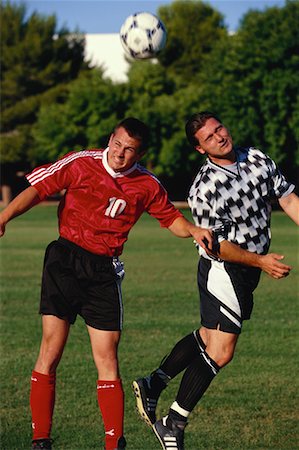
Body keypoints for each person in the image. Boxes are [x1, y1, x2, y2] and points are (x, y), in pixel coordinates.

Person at [0, 117, 214, 450]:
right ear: (109, 140)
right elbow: (38, 189)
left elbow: (170, 218)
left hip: (103, 273)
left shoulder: (146, 184)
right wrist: (4, 217)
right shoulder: (81, 162)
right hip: (64, 262)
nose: (120, 154)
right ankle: (40, 440)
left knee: (107, 358)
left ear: (139, 154)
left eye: (129, 150)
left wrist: (194, 230)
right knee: (50, 351)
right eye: (117, 144)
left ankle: (114, 443)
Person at [132, 111, 299, 450]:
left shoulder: (256, 158)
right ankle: (173, 423)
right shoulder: (203, 188)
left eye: (219, 128)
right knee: (221, 351)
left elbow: (288, 197)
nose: (219, 136)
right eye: (209, 137)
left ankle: (154, 383)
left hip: (248, 269)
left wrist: (259, 262)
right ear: (200, 149)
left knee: (208, 336)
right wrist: (262, 261)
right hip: (223, 269)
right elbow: (218, 247)